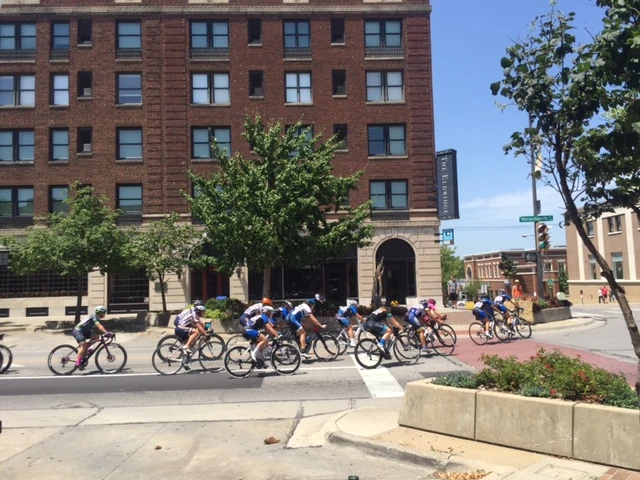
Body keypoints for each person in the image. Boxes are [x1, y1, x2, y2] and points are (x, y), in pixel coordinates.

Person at [287, 294, 326, 358]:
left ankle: (300, 345)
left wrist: (315, 324)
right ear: (310, 304)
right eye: (313, 306)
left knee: (303, 331)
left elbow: (309, 319)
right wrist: (320, 325)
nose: (313, 307)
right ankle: (303, 351)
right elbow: (313, 318)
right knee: (303, 333)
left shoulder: (303, 306)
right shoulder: (306, 307)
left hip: (291, 318)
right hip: (293, 318)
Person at [174, 304, 208, 369]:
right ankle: (186, 346)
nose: (204, 313)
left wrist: (204, 327)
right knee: (196, 332)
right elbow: (199, 326)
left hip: (181, 327)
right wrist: (205, 334)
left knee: (192, 340)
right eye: (203, 312)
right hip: (180, 328)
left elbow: (199, 322)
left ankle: (185, 362)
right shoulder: (194, 315)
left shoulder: (195, 313)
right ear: (199, 311)